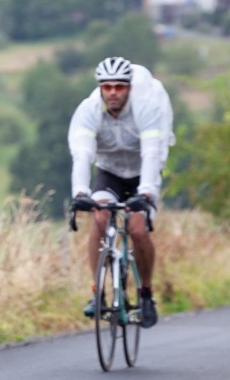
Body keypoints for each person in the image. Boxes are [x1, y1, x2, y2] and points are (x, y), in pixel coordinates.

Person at [68, 56, 174, 329]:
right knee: (100, 218)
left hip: (143, 174)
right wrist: (80, 193)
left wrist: (146, 193)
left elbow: (152, 154)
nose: (113, 92)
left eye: (119, 86)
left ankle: (146, 293)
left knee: (138, 230)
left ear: (129, 87)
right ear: (100, 88)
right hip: (110, 173)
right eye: (107, 86)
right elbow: (82, 154)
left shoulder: (146, 109)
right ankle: (98, 292)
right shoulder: (88, 110)